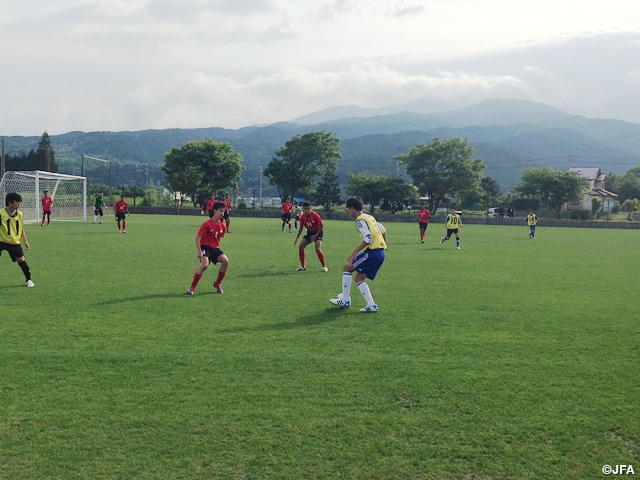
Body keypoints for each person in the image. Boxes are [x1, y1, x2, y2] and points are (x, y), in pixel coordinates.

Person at [330, 197, 387, 313]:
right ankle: (371, 305)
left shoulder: (360, 220)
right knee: (359, 278)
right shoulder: (369, 217)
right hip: (380, 253)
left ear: (352, 208)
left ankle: (345, 299)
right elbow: (383, 230)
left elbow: (368, 239)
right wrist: (382, 244)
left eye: (349, 210)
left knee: (347, 268)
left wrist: (355, 251)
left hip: (373, 253)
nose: (349, 212)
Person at [186, 201, 229, 295]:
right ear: (214, 211)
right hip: (205, 247)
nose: (222, 213)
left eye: (223, 211)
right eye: (220, 211)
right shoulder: (206, 224)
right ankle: (192, 288)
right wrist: (200, 252)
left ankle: (217, 283)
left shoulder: (223, 226)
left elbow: (218, 238)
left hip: (214, 248)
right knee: (205, 265)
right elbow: (197, 238)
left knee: (225, 261)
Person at [0, 193, 34, 287]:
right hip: (1, 241)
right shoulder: (1, 214)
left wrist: (25, 242)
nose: (19, 204)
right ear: (10, 202)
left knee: (21, 261)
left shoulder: (20, 214)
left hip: (14, 242)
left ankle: (29, 280)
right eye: (17, 202)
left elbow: (21, 229)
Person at [293, 202, 328, 272]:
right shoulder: (302, 217)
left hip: (318, 232)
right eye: (305, 209)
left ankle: (324, 266)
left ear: (311, 209)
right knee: (301, 247)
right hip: (309, 232)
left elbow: (321, 226)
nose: (306, 210)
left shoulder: (315, 215)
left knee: (317, 249)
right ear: (303, 209)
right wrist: (297, 238)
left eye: (308, 209)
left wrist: (315, 236)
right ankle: (303, 267)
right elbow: (301, 228)